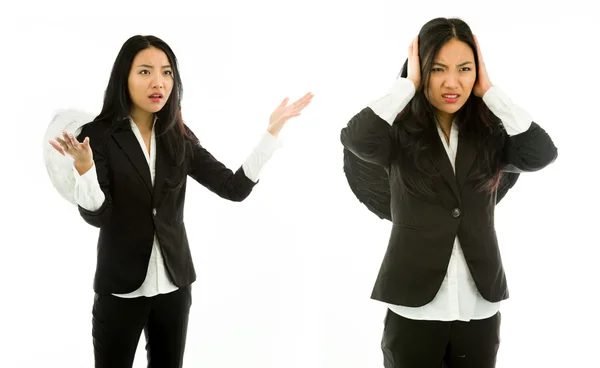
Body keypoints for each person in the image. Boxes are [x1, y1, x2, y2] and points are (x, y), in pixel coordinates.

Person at [47, 35, 313, 368]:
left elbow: (233, 188)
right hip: (120, 287)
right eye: (145, 72)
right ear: (123, 78)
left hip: (174, 285)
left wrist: (270, 135)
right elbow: (98, 216)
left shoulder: (178, 136)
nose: (158, 81)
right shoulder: (97, 136)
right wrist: (84, 168)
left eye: (167, 72)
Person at [340, 17, 558, 368]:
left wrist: (489, 92)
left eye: (465, 69)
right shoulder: (398, 133)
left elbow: (541, 154)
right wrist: (406, 86)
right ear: (421, 69)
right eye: (438, 69)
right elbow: (356, 138)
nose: (452, 82)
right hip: (413, 304)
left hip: (479, 304)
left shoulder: (490, 132)